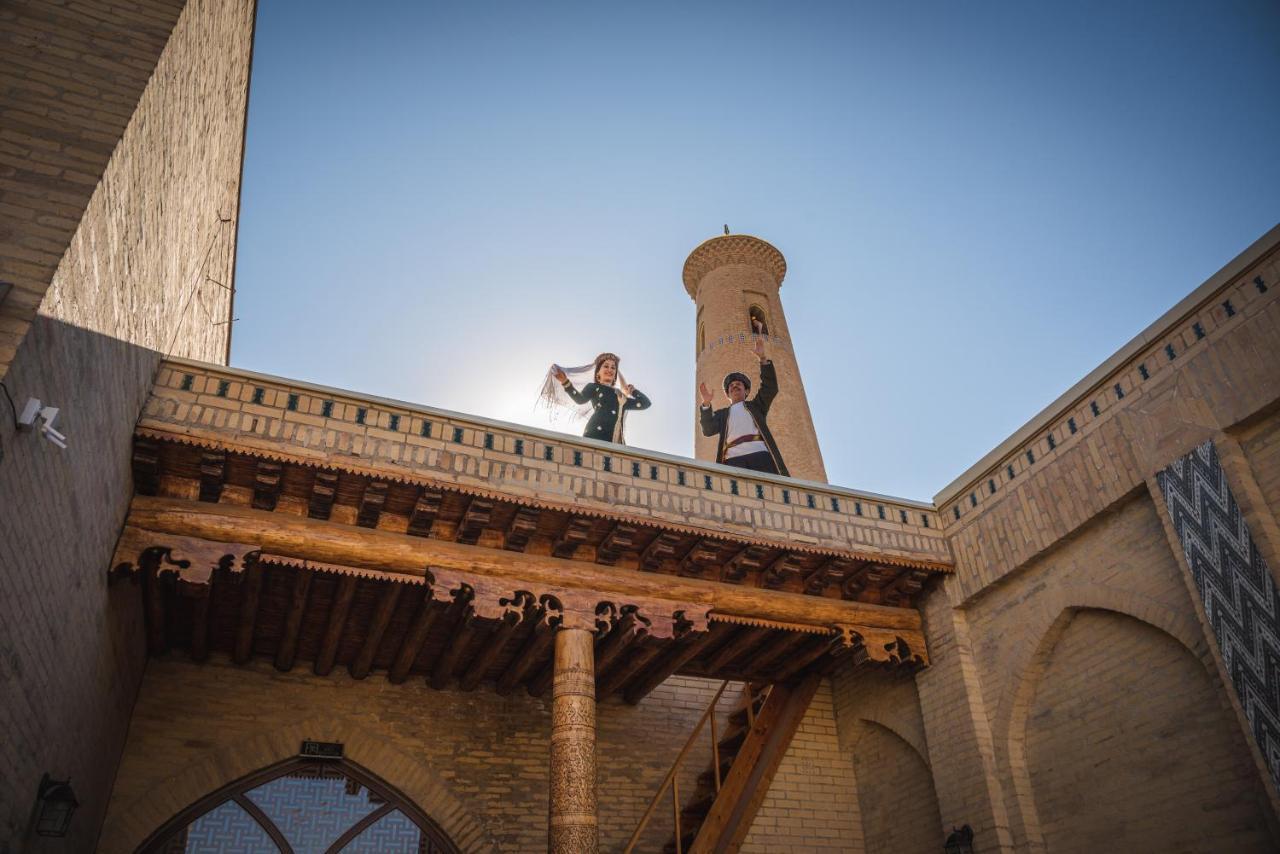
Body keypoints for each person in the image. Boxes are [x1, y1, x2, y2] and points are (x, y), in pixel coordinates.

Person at [698, 334, 789, 476]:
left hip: (760, 455)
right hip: (732, 460)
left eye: (738, 384)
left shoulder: (756, 406)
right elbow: (708, 429)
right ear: (728, 394)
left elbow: (770, 388)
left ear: (746, 391)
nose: (735, 386)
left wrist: (763, 360)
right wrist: (706, 404)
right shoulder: (723, 414)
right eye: (731, 386)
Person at [540, 352, 651, 444]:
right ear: (598, 373)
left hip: (613, 439)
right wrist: (565, 382)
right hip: (594, 433)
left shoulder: (620, 396)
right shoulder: (593, 387)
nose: (610, 369)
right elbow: (579, 399)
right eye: (606, 366)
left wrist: (633, 391)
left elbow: (645, 403)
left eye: (613, 368)